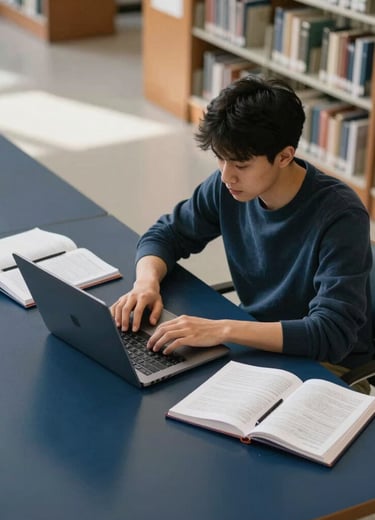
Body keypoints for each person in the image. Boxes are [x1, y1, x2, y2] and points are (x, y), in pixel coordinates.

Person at [110, 74, 374, 384]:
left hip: (324, 364)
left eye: (241, 165)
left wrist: (221, 329)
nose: (226, 176)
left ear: (285, 156)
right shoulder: (230, 187)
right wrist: (146, 283)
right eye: (220, 159)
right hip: (253, 336)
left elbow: (331, 334)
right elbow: (166, 234)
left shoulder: (340, 215)